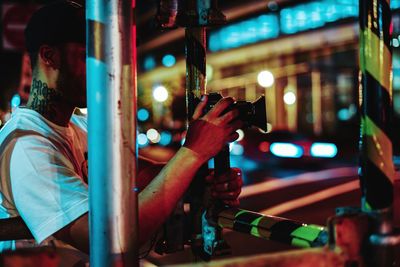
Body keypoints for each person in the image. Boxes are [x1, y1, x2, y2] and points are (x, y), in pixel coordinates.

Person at [0, 0, 243, 261]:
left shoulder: (79, 125)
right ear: (49, 56)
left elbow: (135, 174)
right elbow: (110, 238)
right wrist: (192, 153)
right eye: (87, 56)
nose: (100, 70)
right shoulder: (27, 147)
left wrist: (203, 177)